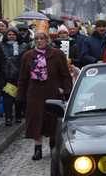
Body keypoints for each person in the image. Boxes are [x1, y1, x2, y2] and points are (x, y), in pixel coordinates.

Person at [17, 30, 72, 160]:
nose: (39, 41)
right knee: (36, 120)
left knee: (52, 119)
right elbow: (23, 77)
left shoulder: (57, 54)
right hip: (34, 93)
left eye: (42, 38)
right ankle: (37, 148)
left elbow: (65, 74)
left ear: (47, 40)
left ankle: (53, 146)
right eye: (36, 39)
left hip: (52, 91)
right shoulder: (28, 56)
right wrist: (20, 95)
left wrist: (66, 90)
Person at [1, 27, 28, 126]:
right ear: (6, 36)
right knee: (7, 98)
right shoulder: (1, 46)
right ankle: (8, 117)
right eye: (9, 34)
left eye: (13, 35)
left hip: (20, 75)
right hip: (7, 76)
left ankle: (18, 116)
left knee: (18, 97)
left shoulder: (23, 46)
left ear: (17, 36)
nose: (11, 36)